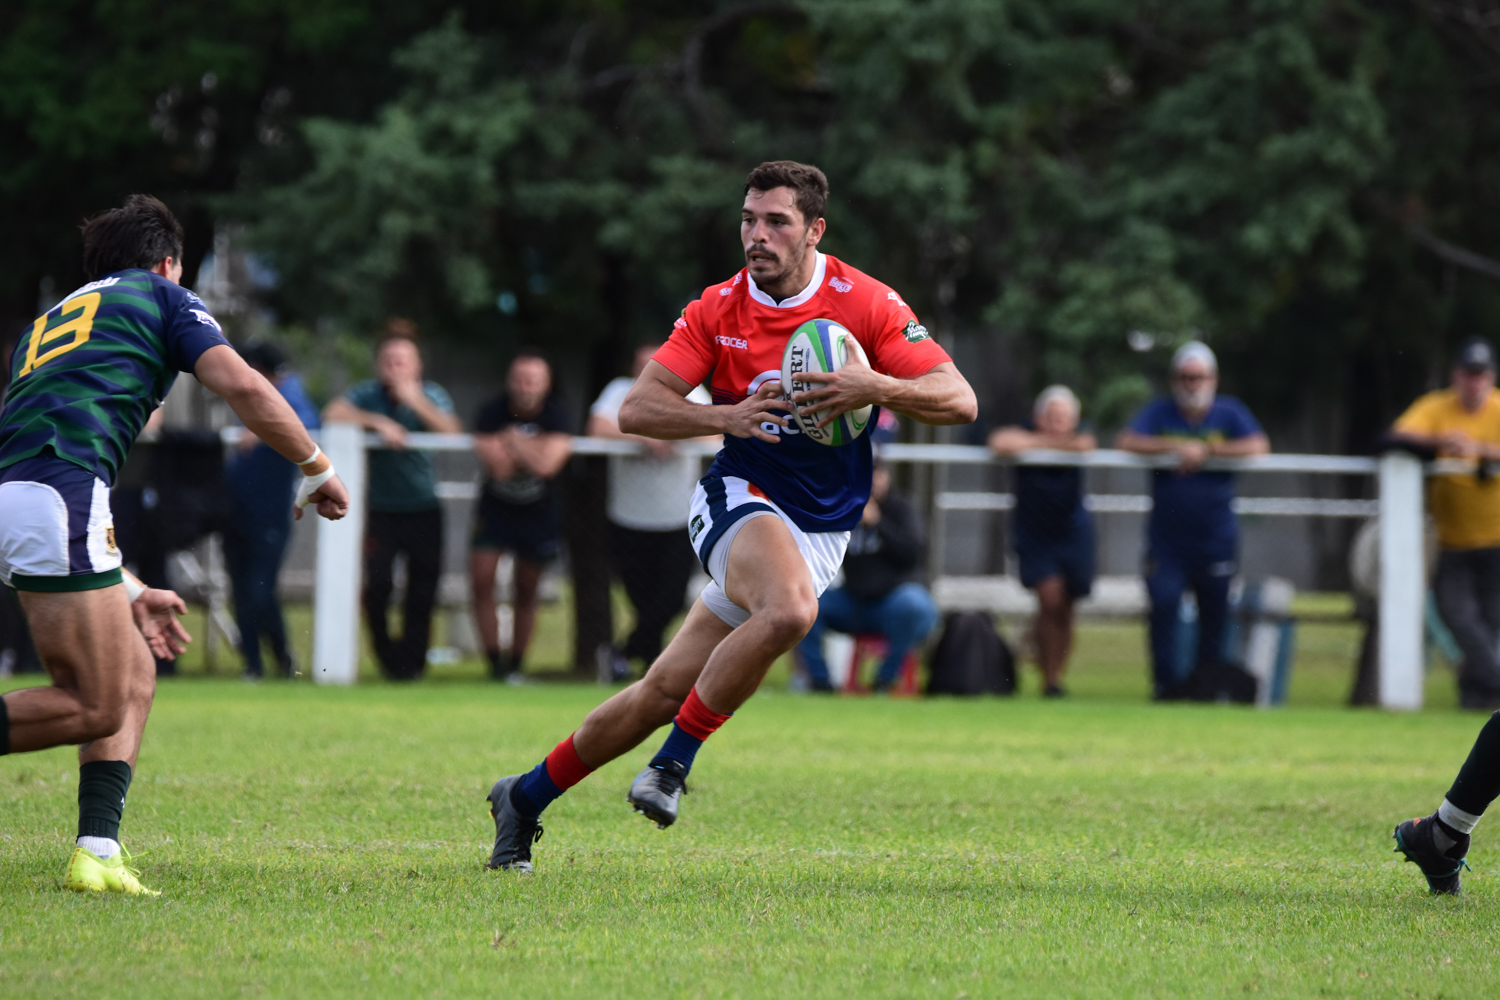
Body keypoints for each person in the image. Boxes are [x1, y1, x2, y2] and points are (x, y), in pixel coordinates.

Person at [481, 160, 976, 872]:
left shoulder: (863, 302)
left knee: (660, 690)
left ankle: (522, 798)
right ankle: (672, 767)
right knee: (790, 611)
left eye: (776, 221)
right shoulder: (717, 307)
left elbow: (960, 399)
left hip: (822, 528)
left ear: (814, 231)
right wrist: (724, 416)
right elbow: (637, 409)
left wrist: (875, 383)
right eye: (749, 218)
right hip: (738, 500)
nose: (757, 234)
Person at [0, 194, 348, 894]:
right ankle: (95, 850)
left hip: (40, 496)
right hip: (58, 495)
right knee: (93, 703)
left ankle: (96, 850)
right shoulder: (163, 297)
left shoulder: (60, 315)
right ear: (167, 264)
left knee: (133, 673)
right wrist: (317, 467)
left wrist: (129, 587)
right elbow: (243, 386)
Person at [1117, 341, 1269, 700]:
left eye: (1198, 377)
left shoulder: (1230, 413)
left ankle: (1205, 688)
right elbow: (1127, 441)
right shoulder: (1160, 413)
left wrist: (1208, 449)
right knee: (1164, 607)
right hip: (1167, 541)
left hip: (1215, 539)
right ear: (1174, 380)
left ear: (1213, 379)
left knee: (1214, 618)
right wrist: (1175, 448)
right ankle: (1166, 687)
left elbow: (1258, 446)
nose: (1191, 384)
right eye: (1185, 377)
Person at [325, 324, 460, 680]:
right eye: (388, 361)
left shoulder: (432, 395)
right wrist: (376, 422)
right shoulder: (367, 395)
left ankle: (413, 664)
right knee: (379, 586)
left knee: (422, 591)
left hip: (424, 508)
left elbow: (452, 432)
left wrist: (415, 401)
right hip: (381, 510)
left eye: (402, 362)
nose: (394, 368)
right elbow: (332, 414)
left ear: (417, 367)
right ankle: (388, 659)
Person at [589, 343, 714, 678]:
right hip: (628, 516)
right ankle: (652, 672)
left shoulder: (693, 392)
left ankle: (621, 653)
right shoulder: (619, 391)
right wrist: (643, 435)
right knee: (642, 600)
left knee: (671, 599)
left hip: (677, 518)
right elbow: (598, 428)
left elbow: (716, 433)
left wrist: (672, 431)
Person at [1390, 338, 1500, 708]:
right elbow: (1396, 436)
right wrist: (1441, 442)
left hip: (1496, 541)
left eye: (1480, 375)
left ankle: (1476, 698)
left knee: (1491, 623)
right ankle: (1495, 680)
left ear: (1491, 378)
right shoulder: (1438, 408)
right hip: (1452, 541)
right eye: (1468, 374)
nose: (1474, 383)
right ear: (1457, 376)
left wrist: (1482, 450)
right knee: (1459, 618)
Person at [988, 385, 1097, 697]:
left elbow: (1087, 445)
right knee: (1049, 600)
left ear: (1074, 420)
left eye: (1062, 418)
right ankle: (1049, 678)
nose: (1055, 423)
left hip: (1074, 531)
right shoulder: (1024, 432)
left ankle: (1054, 678)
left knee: (1066, 607)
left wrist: (1043, 446)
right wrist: (1046, 444)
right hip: (1034, 532)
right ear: (1037, 417)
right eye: (1050, 416)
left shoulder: (1081, 436)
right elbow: (999, 442)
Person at [470, 351, 573, 682]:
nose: (525, 386)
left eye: (534, 380)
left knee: (527, 589)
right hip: (495, 508)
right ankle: (493, 664)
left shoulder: (558, 413)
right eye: (520, 379)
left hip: (539, 512)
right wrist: (534, 447)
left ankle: (516, 665)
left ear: (546, 384)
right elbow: (499, 470)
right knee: (481, 579)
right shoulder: (491, 411)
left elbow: (546, 467)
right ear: (509, 381)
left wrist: (513, 441)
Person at [793, 460, 937, 692]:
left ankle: (885, 681)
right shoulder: (842, 509)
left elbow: (914, 554)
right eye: (865, 474)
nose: (873, 481)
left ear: (888, 477)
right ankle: (820, 683)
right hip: (853, 602)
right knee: (801, 603)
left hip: (894, 604)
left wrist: (879, 523)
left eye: (878, 474)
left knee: (915, 604)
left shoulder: (903, 507)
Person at [223, 342, 320, 680]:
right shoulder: (248, 398)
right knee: (240, 590)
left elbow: (308, 424)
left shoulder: (288, 396)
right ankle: (254, 665)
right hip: (236, 509)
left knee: (259, 590)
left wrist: (262, 430)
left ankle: (280, 658)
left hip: (271, 512)